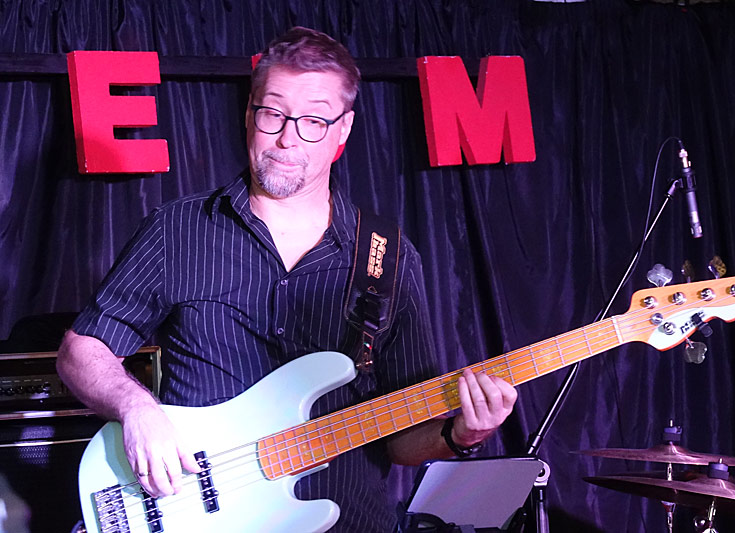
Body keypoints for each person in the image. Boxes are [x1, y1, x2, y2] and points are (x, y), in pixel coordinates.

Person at [57, 26, 517, 532]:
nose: (287, 138)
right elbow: (82, 351)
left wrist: (460, 435)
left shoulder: (387, 256)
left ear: (343, 130)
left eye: (314, 120)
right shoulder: (177, 230)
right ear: (249, 113)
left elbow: (401, 441)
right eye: (273, 113)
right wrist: (136, 408)